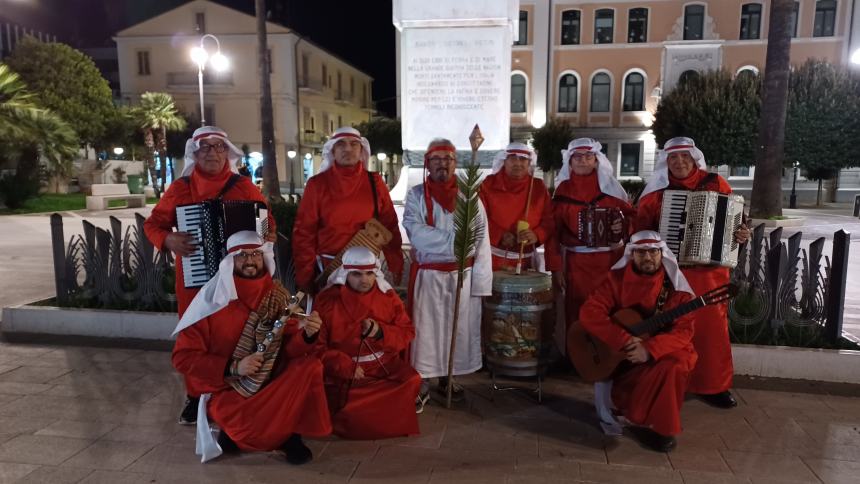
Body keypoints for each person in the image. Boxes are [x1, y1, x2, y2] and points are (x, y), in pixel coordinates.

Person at [144, 126, 276, 425]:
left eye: (218, 147)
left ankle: (233, 386)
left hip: (240, 278)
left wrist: (262, 241)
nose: (212, 153)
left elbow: (268, 226)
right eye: (206, 148)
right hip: (196, 274)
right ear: (195, 152)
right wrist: (167, 240)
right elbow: (153, 224)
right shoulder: (181, 189)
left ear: (227, 153)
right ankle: (196, 395)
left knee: (233, 331)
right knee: (196, 333)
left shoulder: (244, 188)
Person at [171, 231, 331, 464]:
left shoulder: (278, 296)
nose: (249, 260)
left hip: (271, 382)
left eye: (256, 254)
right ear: (230, 261)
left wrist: (307, 335)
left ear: (265, 257)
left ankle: (291, 435)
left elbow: (288, 351)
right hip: (230, 390)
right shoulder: (210, 301)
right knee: (247, 429)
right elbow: (182, 358)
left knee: (310, 367)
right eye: (242, 255)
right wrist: (233, 367)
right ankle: (270, 433)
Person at [635, 137, 750, 409]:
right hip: (672, 273)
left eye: (684, 157)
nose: (679, 162)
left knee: (712, 331)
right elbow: (640, 232)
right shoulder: (656, 193)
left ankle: (714, 386)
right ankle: (675, 381)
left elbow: (735, 221)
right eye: (673, 158)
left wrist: (741, 234)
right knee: (673, 328)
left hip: (710, 273)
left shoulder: (716, 184)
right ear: (666, 161)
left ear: (694, 158)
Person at [579, 231, 697, 452]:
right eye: (641, 252)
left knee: (675, 365)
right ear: (631, 255)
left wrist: (649, 349)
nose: (648, 257)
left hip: (661, 349)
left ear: (663, 254)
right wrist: (622, 338)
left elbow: (683, 332)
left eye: (654, 251)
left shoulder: (676, 288)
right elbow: (589, 313)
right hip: (623, 352)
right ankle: (632, 413)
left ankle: (662, 428)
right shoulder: (616, 280)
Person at [402, 138, 492, 411]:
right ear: (428, 164)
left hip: (460, 277)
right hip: (429, 277)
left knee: (456, 329)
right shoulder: (417, 195)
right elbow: (415, 232)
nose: (443, 164)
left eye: (448, 159)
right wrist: (457, 242)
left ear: (455, 163)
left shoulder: (470, 196)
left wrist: (481, 282)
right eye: (437, 159)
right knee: (427, 332)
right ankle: (423, 383)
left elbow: (481, 237)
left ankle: (448, 377)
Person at [314, 246, 422, 437]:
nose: (364, 279)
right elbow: (317, 347)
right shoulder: (326, 301)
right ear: (345, 274)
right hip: (346, 370)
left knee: (412, 379)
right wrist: (343, 364)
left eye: (369, 273)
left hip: (383, 365)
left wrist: (381, 333)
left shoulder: (389, 298)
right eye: (356, 274)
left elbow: (407, 333)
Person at [292, 127, 404, 295]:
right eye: (341, 144)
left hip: (367, 273)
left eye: (354, 144)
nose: (348, 149)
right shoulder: (317, 185)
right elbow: (304, 233)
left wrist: (396, 263)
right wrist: (305, 276)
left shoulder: (375, 182)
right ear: (333, 150)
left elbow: (389, 225)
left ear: (361, 150)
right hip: (331, 270)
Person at [544, 138, 635, 340]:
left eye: (588, 156)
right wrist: (555, 268)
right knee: (576, 308)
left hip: (611, 262)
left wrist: (623, 225)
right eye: (577, 157)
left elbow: (632, 219)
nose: (583, 161)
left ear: (596, 160)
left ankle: (608, 357)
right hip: (576, 264)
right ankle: (578, 359)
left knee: (609, 306)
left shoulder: (612, 188)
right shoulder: (562, 191)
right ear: (570, 162)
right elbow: (552, 232)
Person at [479, 142, 554, 271]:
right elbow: (478, 219)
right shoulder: (488, 184)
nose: (518, 163)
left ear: (529, 162)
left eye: (523, 159)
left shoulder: (538, 186)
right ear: (504, 160)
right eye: (513, 158)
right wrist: (499, 235)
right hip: (492, 259)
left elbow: (549, 220)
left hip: (527, 261)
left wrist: (536, 235)